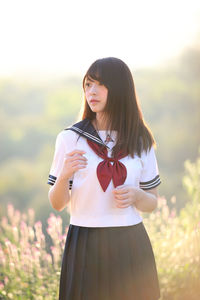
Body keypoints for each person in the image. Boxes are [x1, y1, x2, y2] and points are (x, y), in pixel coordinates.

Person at [47, 57, 161, 300]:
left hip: (130, 242)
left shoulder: (140, 140)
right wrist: (64, 174)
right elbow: (57, 204)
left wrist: (138, 195)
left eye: (100, 84)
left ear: (120, 88)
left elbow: (152, 203)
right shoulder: (70, 138)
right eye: (88, 84)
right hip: (84, 243)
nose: (92, 91)